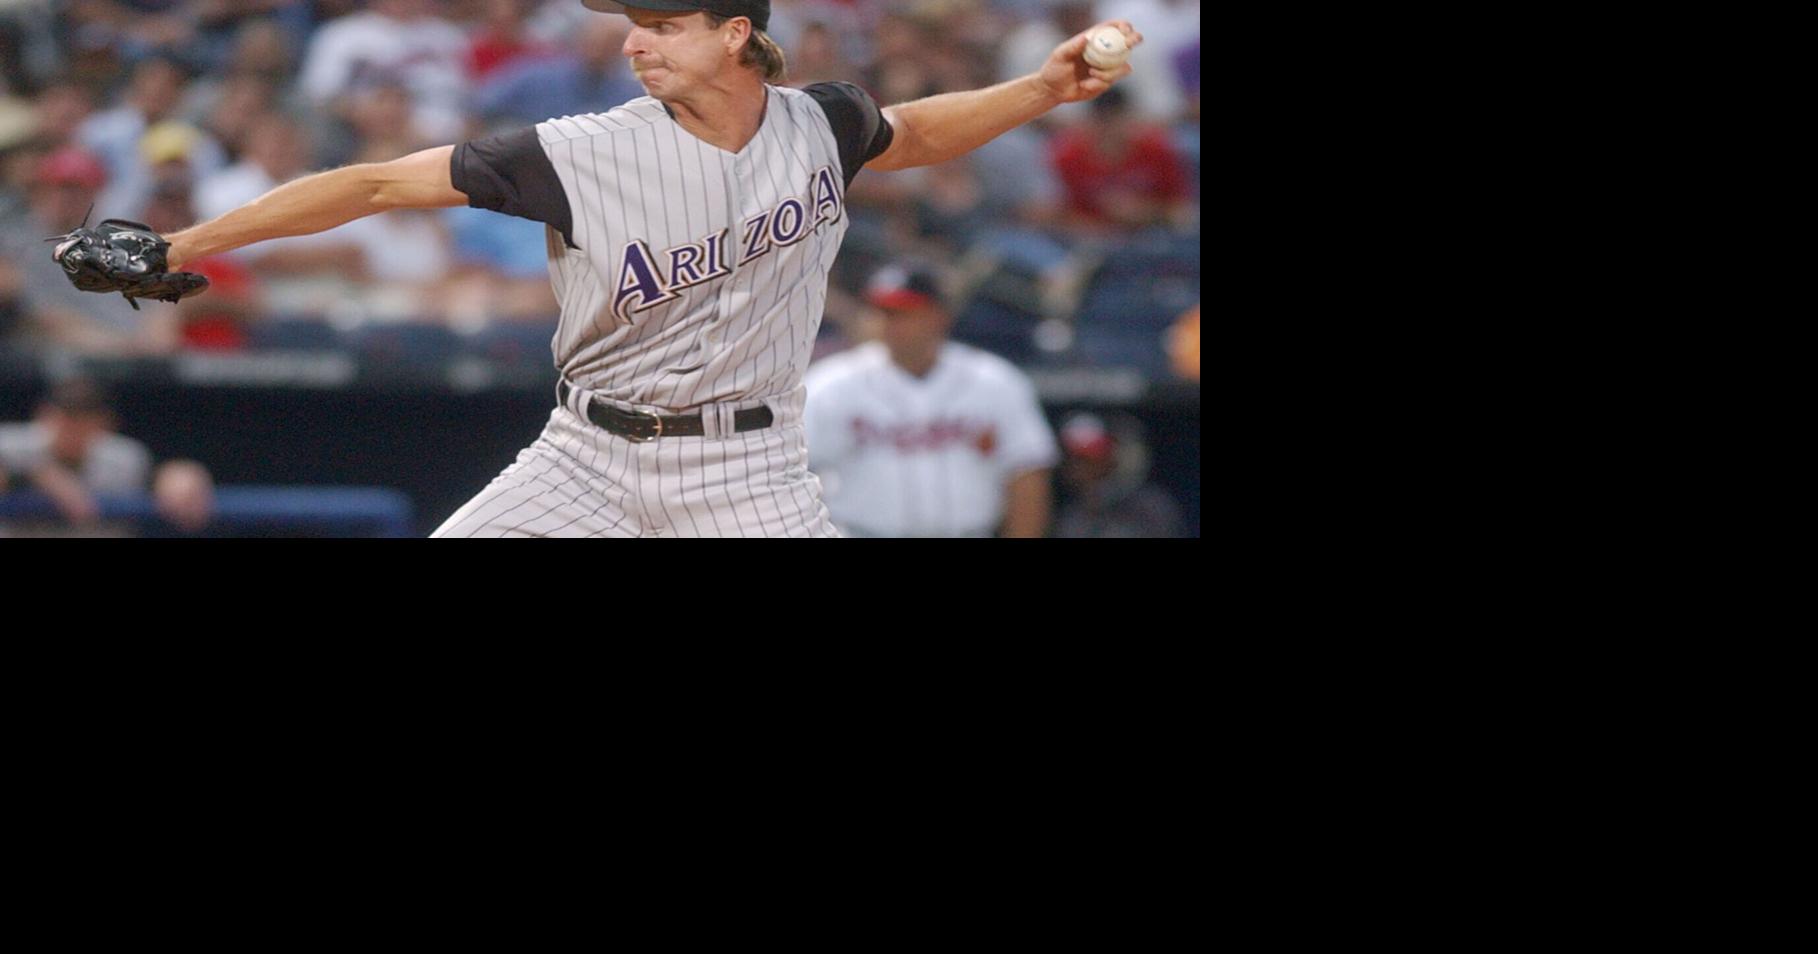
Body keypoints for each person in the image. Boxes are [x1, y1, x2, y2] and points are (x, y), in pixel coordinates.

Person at [60, 0, 1142, 537]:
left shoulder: (826, 124)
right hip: (585, 452)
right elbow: (377, 185)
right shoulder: (576, 150)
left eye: (663, 24)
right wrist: (179, 246)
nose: (635, 42)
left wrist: (1040, 92)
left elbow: (919, 130)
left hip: (750, 472)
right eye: (632, 22)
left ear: (735, 37)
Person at [803, 264, 1059, 538]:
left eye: (904, 312)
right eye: (883, 311)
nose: (890, 322)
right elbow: (790, 475)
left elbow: (1027, 474)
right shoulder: (829, 385)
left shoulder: (995, 381)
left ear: (940, 315)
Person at [0, 377, 215, 535]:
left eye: (83, 423)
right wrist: (36, 475)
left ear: (104, 423)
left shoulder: (125, 458)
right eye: (64, 420)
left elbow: (160, 479)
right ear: (44, 415)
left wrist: (176, 473)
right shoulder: (11, 444)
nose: (72, 432)